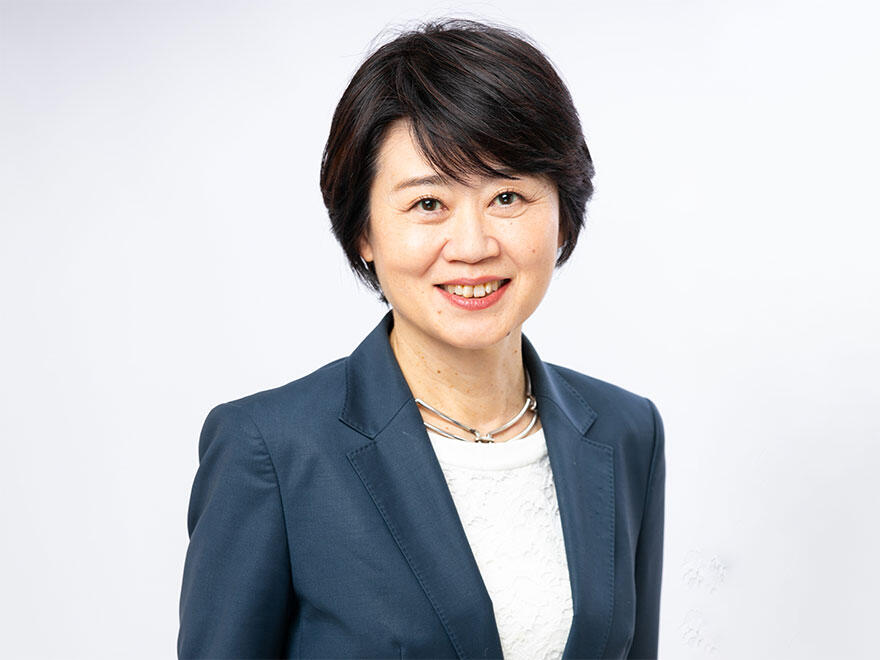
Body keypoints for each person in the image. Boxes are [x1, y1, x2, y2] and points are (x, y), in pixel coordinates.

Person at [178, 18, 665, 660]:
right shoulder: (272, 449)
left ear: (563, 219)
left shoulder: (627, 431)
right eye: (428, 204)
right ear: (364, 231)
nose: (473, 246)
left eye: (508, 196)